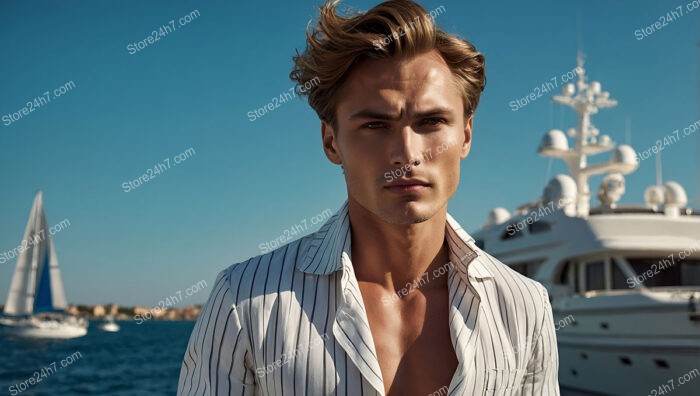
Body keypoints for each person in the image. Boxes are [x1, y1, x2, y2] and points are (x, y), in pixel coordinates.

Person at [178, 0, 560, 394]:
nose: (407, 153)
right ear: (331, 142)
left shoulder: (524, 307)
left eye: (431, 121)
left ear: (465, 135)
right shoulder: (244, 301)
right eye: (376, 124)